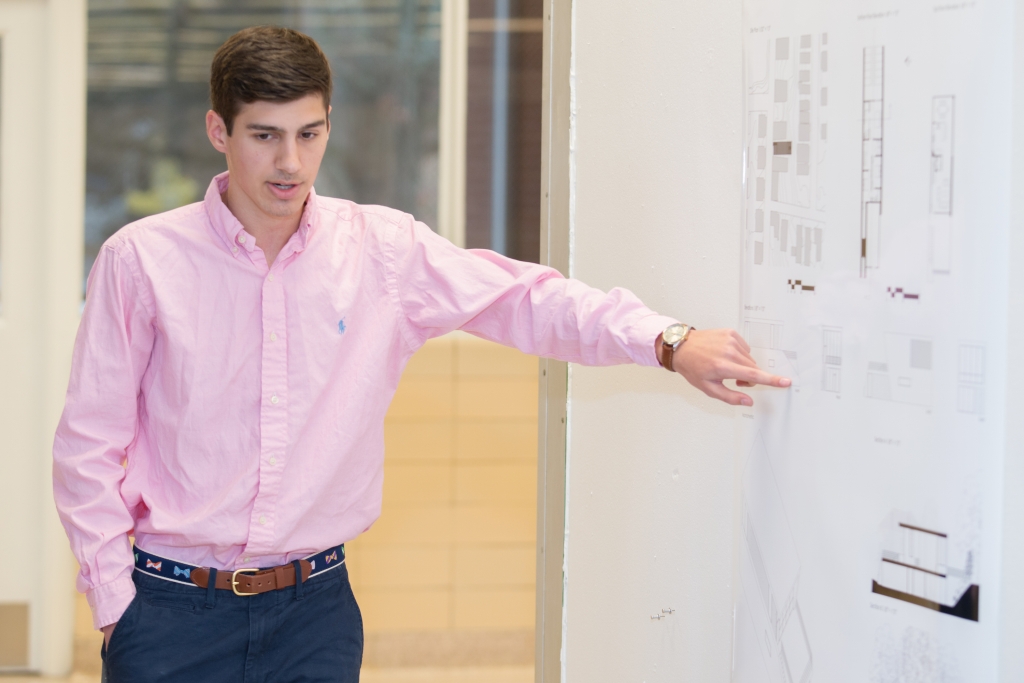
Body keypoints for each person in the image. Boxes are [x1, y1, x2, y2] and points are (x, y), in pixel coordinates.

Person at [53, 26, 789, 683]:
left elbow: (524, 299)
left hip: (316, 614)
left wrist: (667, 341)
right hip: (172, 612)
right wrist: (119, 608)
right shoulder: (142, 262)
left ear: (329, 125)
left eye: (309, 134)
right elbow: (88, 446)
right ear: (219, 129)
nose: (290, 162)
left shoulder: (382, 250)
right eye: (265, 135)